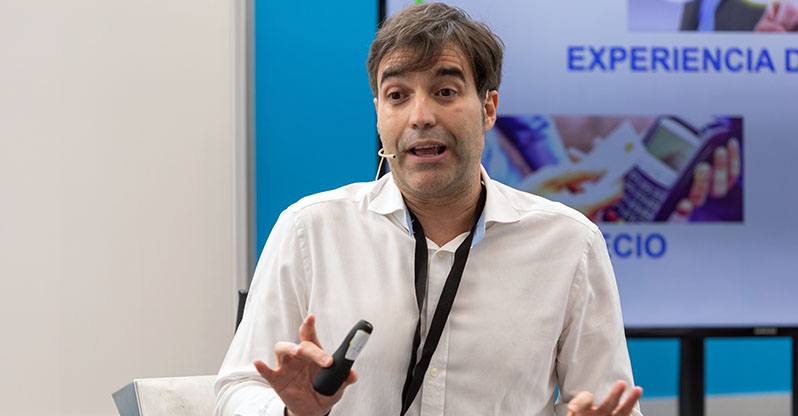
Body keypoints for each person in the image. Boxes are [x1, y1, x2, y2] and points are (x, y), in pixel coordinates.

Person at [215, 3, 643, 415]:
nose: (420, 116)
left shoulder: (570, 243)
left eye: (445, 92)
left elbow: (606, 401)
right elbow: (237, 389)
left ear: (488, 108)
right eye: (397, 95)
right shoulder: (309, 230)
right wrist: (292, 411)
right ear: (379, 114)